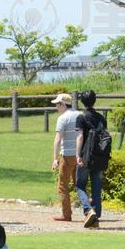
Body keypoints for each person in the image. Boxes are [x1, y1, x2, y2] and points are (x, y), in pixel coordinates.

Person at [74, 89, 107, 229]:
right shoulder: (101, 118)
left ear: (82, 101)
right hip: (99, 157)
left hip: (86, 157)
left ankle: (89, 210)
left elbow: (80, 136)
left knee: (80, 185)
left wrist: (78, 155)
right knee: (96, 188)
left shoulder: (81, 118)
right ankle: (96, 219)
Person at [50, 93, 80, 222]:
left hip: (67, 155)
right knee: (80, 185)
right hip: (80, 155)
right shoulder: (80, 115)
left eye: (57, 104)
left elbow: (57, 140)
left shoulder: (63, 118)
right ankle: (90, 209)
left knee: (62, 185)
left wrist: (55, 159)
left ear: (63, 104)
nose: (56, 107)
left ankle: (66, 214)